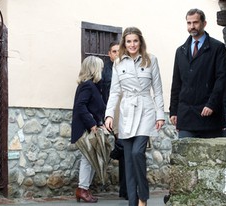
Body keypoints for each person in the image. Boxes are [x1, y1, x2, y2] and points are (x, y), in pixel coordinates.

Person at [104, 27, 165, 206]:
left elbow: (158, 91)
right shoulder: (118, 63)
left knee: (138, 152)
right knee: (129, 160)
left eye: (135, 41)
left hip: (146, 109)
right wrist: (109, 115)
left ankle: (143, 196)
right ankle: (133, 202)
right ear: (124, 43)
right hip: (127, 112)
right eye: (129, 41)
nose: (132, 44)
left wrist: (160, 115)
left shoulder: (151, 60)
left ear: (140, 42)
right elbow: (114, 91)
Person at [169, 8, 226, 138]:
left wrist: (211, 104)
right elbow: (176, 83)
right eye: (189, 23)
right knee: (184, 156)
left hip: (209, 116)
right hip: (186, 117)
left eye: (195, 22)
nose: (192, 26)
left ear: (204, 23)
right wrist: (173, 111)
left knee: (210, 158)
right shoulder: (180, 51)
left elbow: (221, 79)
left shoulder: (217, 48)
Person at [71, 56, 105, 203]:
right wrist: (92, 124)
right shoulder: (88, 85)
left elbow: (92, 107)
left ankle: (84, 189)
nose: (102, 70)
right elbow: (80, 106)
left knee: (90, 159)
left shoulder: (92, 85)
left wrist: (99, 122)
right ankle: (82, 189)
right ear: (94, 68)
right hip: (85, 129)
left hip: (91, 128)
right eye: (101, 67)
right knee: (88, 159)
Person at [99, 41, 128, 200]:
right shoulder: (105, 71)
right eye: (114, 51)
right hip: (112, 116)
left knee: (126, 152)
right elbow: (103, 94)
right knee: (124, 150)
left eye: (119, 51)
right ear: (109, 54)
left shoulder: (126, 68)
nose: (117, 54)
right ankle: (125, 189)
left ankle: (125, 189)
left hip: (126, 114)